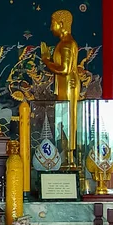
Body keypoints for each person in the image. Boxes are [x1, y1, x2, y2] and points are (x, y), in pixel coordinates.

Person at [41, 10, 80, 168]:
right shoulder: (63, 43)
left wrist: (46, 60)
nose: (51, 27)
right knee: (63, 120)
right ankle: (64, 156)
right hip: (64, 85)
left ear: (62, 24)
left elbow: (64, 69)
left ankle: (70, 159)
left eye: (53, 23)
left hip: (69, 84)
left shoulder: (67, 44)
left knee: (69, 119)